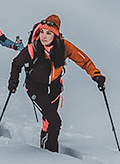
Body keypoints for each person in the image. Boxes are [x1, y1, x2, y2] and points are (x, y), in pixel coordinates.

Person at [7, 14, 105, 152]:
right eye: (42, 32)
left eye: (48, 33)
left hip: (54, 87)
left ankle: (46, 147)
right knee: (55, 121)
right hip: (34, 87)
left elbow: (84, 61)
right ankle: (52, 154)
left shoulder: (64, 46)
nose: (43, 36)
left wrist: (96, 75)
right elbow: (16, 63)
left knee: (48, 121)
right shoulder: (33, 48)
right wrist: (13, 82)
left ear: (56, 35)